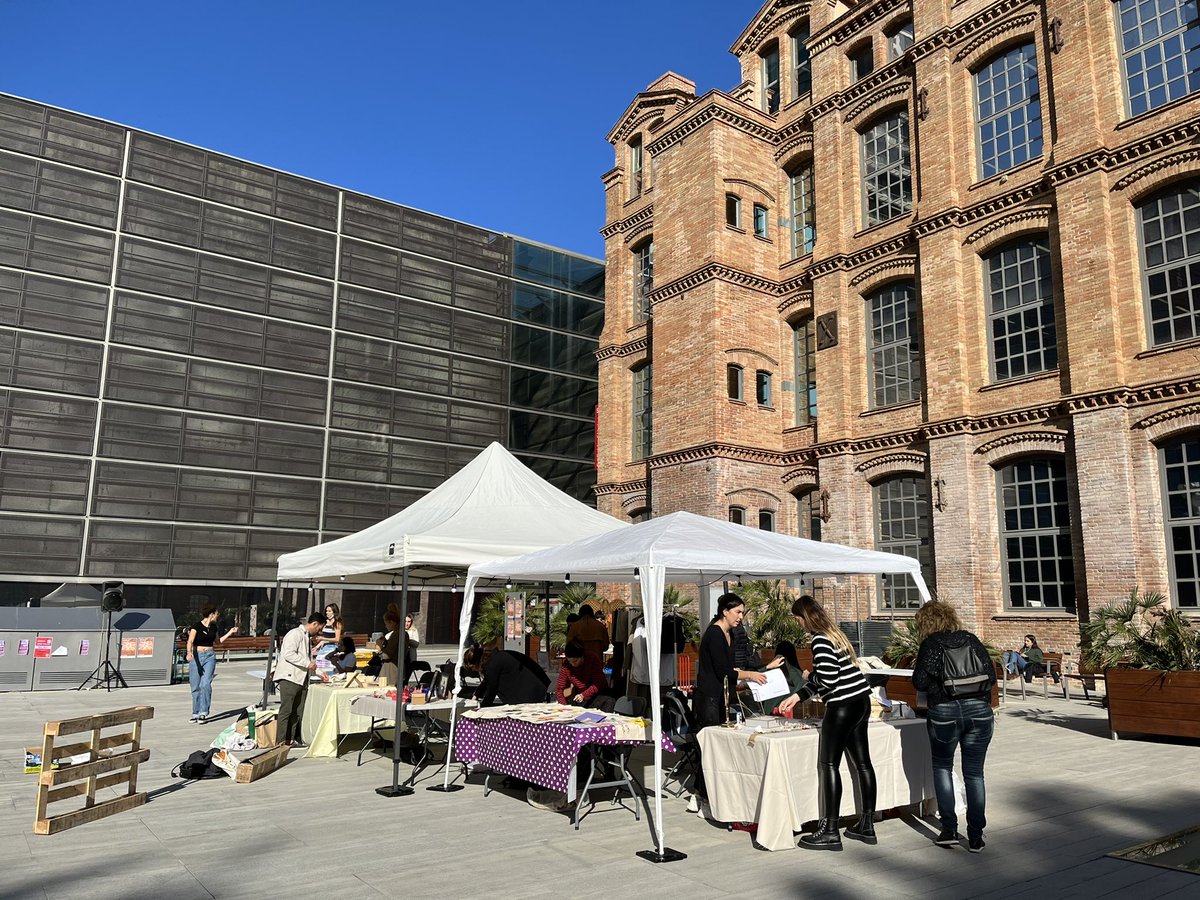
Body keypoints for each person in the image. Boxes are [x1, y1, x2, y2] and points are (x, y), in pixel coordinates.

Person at [779, 595, 877, 850]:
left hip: (842, 705)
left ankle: (830, 830)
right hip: (860, 700)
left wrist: (808, 677)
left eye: (797, 619)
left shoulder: (820, 640)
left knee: (829, 765)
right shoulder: (835, 634)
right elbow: (833, 675)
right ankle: (867, 824)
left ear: (804, 617)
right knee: (863, 764)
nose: (798, 624)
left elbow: (828, 679)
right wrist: (798, 696)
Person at [910, 600, 996, 853]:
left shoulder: (931, 644)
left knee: (942, 767)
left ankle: (948, 829)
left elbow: (919, 682)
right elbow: (991, 676)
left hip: (944, 712)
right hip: (979, 711)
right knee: (975, 774)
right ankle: (976, 836)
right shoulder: (970, 639)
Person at [688, 593, 768, 814]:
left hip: (722, 698)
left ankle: (704, 794)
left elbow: (730, 668)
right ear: (725, 611)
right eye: (737, 612)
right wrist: (749, 675)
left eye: (742, 612)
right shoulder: (714, 634)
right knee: (711, 748)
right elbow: (723, 670)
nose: (741, 616)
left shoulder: (730, 633)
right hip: (710, 700)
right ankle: (703, 796)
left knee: (719, 748)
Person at [273, 613, 325, 748]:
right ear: (314, 624)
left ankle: (291, 739)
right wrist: (308, 664)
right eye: (319, 628)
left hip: (301, 679)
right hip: (290, 677)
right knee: (286, 710)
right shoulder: (295, 634)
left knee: (297, 711)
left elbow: (308, 661)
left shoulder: (306, 637)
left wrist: (320, 673)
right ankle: (280, 741)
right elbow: (288, 654)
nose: (319, 632)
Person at [186, 605, 237, 724]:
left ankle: (203, 712)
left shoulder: (214, 627)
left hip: (210, 656)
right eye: (217, 614)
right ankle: (195, 713)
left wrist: (230, 632)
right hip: (196, 656)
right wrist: (189, 652)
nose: (217, 616)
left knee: (205, 684)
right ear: (211, 614)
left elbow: (218, 642)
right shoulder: (196, 626)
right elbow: (190, 641)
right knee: (195, 686)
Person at [464, 644, 550, 706]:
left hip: (531, 690)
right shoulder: (493, 659)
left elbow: (491, 691)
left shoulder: (492, 665)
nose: (474, 670)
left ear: (477, 663)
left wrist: (481, 709)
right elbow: (487, 681)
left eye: (473, 668)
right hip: (536, 684)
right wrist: (476, 695)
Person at [743, 640, 806, 715]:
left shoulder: (768, 673)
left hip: (768, 715)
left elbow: (750, 680)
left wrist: (767, 667)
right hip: (792, 715)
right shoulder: (799, 675)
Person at [556, 642, 614, 711]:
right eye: (569, 661)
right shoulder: (566, 666)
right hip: (581, 696)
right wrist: (563, 706)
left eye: (575, 661)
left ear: (582, 656)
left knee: (607, 703)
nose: (572, 664)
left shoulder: (592, 659)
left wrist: (584, 695)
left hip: (598, 694)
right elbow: (559, 689)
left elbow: (598, 683)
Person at [377, 607, 405, 686]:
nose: (386, 626)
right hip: (396, 667)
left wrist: (380, 646)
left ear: (392, 622)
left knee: (388, 688)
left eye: (386, 624)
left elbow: (387, 655)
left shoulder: (396, 635)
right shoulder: (402, 633)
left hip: (391, 669)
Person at [313, 602, 344, 673]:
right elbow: (324, 638)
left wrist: (323, 638)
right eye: (326, 611)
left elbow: (337, 639)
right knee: (320, 666)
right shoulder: (325, 622)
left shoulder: (337, 623)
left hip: (332, 648)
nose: (327, 613)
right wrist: (316, 647)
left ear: (334, 612)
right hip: (323, 648)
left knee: (330, 667)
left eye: (329, 611)